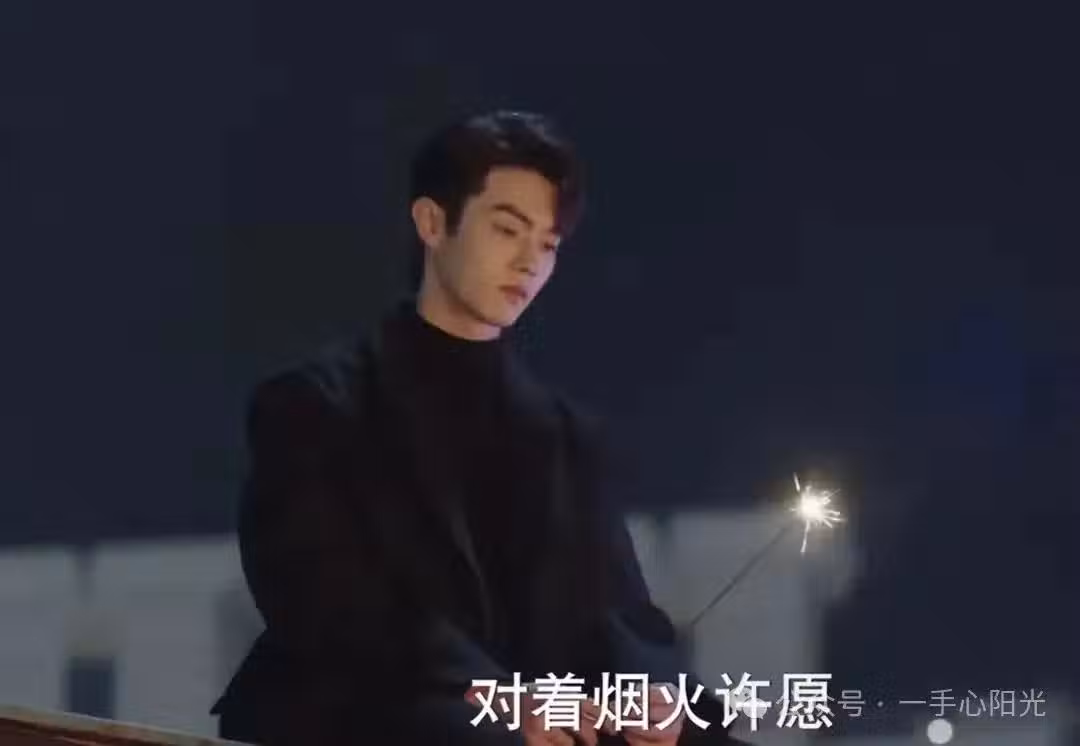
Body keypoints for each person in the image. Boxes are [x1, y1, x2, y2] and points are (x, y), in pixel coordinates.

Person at [211, 111, 743, 745]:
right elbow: (326, 603)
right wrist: (492, 697)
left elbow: (619, 615)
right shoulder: (317, 405)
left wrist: (654, 695)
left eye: (548, 245)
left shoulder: (564, 438)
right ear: (432, 222)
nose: (528, 263)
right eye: (508, 230)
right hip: (376, 716)